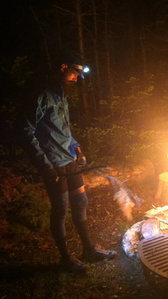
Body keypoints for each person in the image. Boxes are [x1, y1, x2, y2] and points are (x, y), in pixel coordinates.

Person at [24, 52, 116, 273]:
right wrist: (45, 165)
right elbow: (26, 130)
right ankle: (65, 259)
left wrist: (76, 147)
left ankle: (89, 250)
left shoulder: (61, 95)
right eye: (75, 72)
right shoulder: (42, 94)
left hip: (69, 158)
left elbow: (63, 130)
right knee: (61, 208)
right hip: (54, 162)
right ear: (63, 67)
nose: (77, 77)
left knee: (81, 201)